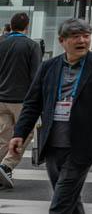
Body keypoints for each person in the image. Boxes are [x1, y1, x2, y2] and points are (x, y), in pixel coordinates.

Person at [7, 18, 92, 213]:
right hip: (52, 143)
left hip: (83, 145)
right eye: (75, 36)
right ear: (62, 40)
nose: (82, 41)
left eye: (86, 36)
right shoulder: (48, 67)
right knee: (70, 199)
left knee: (61, 203)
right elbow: (33, 103)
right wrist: (19, 134)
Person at [0, 12, 42, 188]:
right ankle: (6, 165)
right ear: (27, 27)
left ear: (11, 25)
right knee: (25, 133)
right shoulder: (32, 46)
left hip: (1, 99)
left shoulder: (1, 42)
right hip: (21, 100)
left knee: (3, 135)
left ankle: (1, 169)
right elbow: (36, 76)